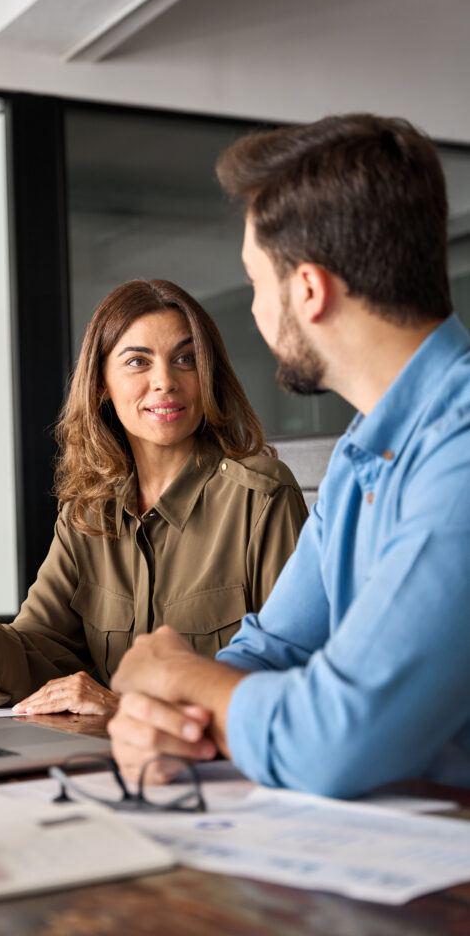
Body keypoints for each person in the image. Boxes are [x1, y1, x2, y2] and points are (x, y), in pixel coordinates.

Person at [108, 113, 470, 797]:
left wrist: (176, 675)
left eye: (253, 283)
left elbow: (338, 737)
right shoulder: (361, 452)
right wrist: (175, 714)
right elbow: (276, 648)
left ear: (307, 290)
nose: (251, 311)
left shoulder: (460, 446)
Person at [0, 279, 307, 716]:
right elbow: (23, 675)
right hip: (114, 771)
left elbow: (294, 690)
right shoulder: (88, 513)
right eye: (138, 361)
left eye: (186, 359)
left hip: (227, 774)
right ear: (101, 384)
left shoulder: (263, 497)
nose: (165, 381)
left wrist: (121, 708)